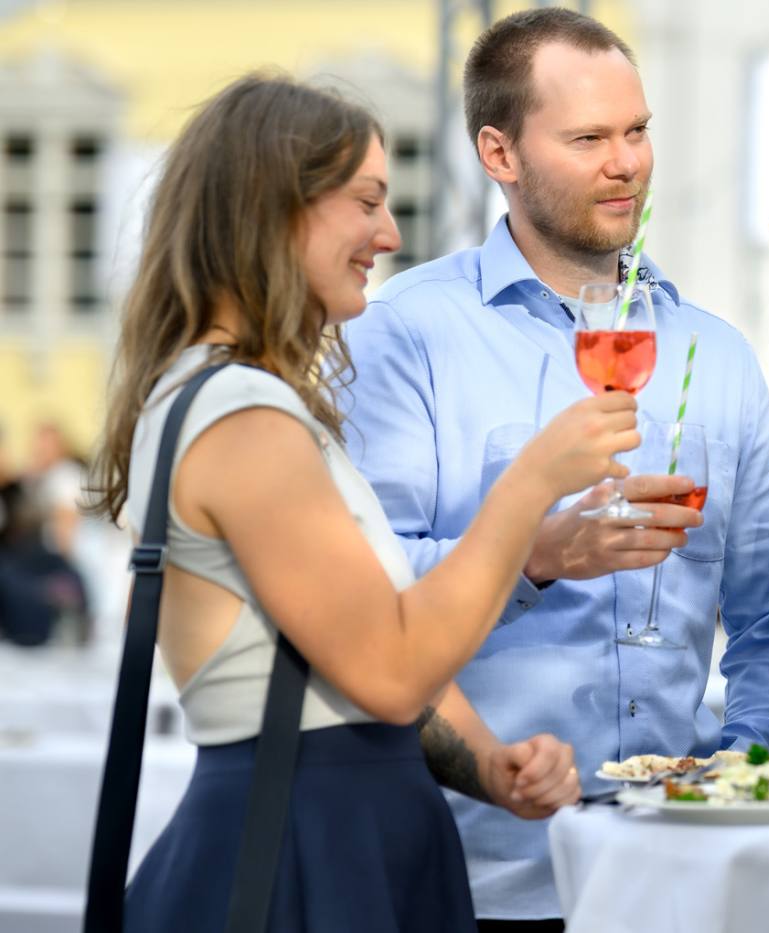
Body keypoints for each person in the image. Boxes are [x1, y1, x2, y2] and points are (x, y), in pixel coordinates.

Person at [85, 74, 633, 930]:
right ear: (273, 209)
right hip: (305, 845)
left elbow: (358, 649)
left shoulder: (240, 400)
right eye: (368, 201)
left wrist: (487, 763)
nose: (390, 233)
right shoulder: (241, 416)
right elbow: (389, 672)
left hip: (337, 826)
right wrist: (530, 485)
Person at [341, 9, 769, 927]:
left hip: (675, 875)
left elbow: (767, 625)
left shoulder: (714, 354)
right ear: (499, 153)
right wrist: (537, 550)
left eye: (637, 131)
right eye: (589, 137)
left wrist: (741, 781)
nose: (627, 162)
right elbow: (368, 596)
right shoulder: (406, 332)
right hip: (475, 871)